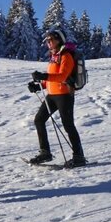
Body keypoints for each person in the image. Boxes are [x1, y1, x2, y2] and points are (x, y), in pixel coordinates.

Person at [27, 29, 87, 168]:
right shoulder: (54, 56)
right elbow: (52, 78)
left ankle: (79, 156)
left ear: (58, 40)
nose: (48, 43)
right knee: (39, 120)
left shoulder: (66, 56)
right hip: (52, 95)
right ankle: (45, 152)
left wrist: (43, 76)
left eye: (50, 40)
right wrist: (39, 85)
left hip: (64, 95)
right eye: (47, 41)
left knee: (68, 125)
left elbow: (62, 76)